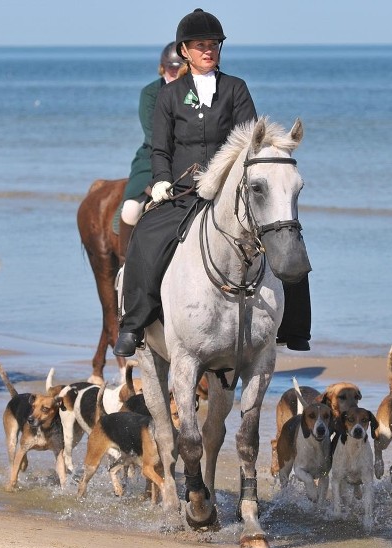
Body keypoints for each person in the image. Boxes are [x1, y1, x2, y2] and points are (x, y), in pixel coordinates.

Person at [114, 8, 311, 357]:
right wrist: (160, 181)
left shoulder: (236, 89)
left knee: (286, 234)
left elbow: (250, 141)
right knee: (145, 237)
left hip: (228, 191)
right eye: (200, 45)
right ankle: (133, 326)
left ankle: (294, 327)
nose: (208, 50)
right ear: (184, 52)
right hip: (184, 190)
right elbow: (160, 148)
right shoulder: (169, 96)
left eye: (214, 45)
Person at [116, 42, 185, 262]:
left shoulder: (192, 92)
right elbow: (153, 133)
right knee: (131, 210)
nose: (175, 72)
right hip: (152, 157)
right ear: (162, 68)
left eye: (179, 68)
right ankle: (126, 265)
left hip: (187, 157)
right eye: (171, 68)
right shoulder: (150, 92)